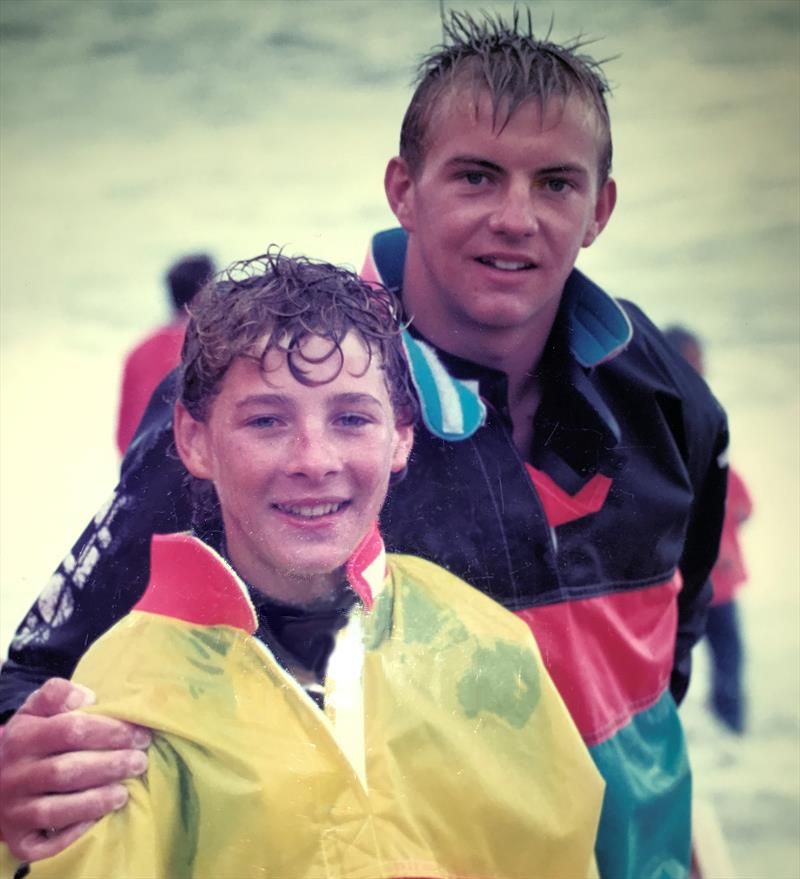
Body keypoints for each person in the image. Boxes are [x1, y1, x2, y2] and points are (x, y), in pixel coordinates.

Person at [0, 11, 729, 879]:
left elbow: (674, 638)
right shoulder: (285, 396)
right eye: (476, 176)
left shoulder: (663, 392)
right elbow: (44, 672)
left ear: (600, 208)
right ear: (403, 188)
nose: (515, 217)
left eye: (557, 184)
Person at [3, 251, 603, 879]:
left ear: (401, 435)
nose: (314, 459)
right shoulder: (123, 697)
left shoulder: (489, 641)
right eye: (266, 420)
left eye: (351, 418)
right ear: (193, 440)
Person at [664, 325, 753, 733]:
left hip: (708, 577)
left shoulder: (698, 417)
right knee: (689, 655)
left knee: (722, 657)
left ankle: (727, 724)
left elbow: (739, 501)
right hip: (687, 579)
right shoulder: (678, 419)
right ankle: (720, 724)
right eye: (693, 361)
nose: (702, 369)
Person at [116, 252, 215, 454]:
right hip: (187, 465)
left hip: (139, 465)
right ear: (203, 295)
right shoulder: (209, 348)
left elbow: (123, 435)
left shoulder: (139, 350)